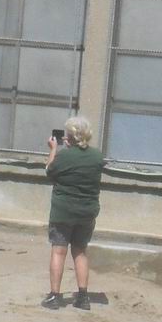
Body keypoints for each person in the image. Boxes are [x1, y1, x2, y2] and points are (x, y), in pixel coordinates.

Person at [41, 115, 105, 311]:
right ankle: (83, 297)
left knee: (59, 250)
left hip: (63, 211)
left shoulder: (64, 155)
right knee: (80, 251)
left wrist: (53, 150)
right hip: (87, 211)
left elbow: (49, 172)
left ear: (70, 136)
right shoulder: (97, 157)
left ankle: (55, 296)